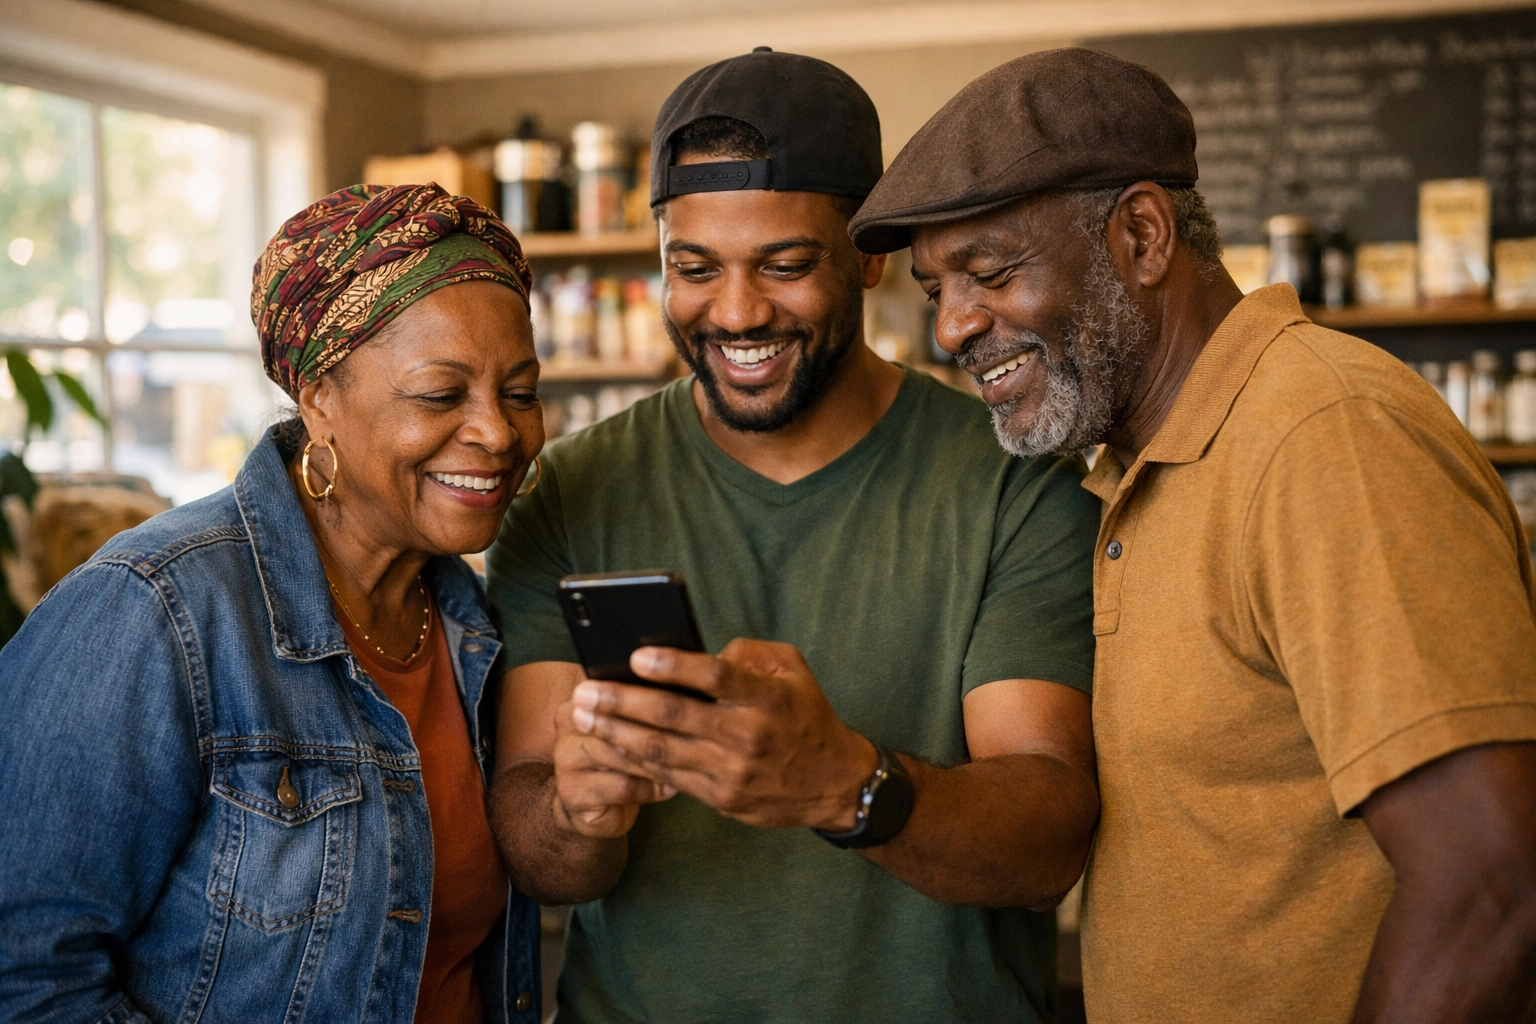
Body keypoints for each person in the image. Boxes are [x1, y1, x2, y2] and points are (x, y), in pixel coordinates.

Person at [849, 46, 1536, 1024]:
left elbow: (1492, 881)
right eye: (933, 290)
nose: (953, 327)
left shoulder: (1322, 436)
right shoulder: (1133, 470)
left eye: (989, 272)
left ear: (1141, 233)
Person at [486, 49, 1102, 1024]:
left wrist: (843, 784)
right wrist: (575, 810)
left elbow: (1049, 841)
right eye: (694, 269)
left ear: (866, 255)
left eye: (784, 264)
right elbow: (537, 843)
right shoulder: (570, 488)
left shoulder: (1013, 482)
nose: (736, 314)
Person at [0, 183, 546, 1023]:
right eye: (442, 395)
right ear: (320, 395)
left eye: (519, 392)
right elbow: (26, 979)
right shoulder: (151, 613)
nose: (501, 433)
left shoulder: (466, 617)